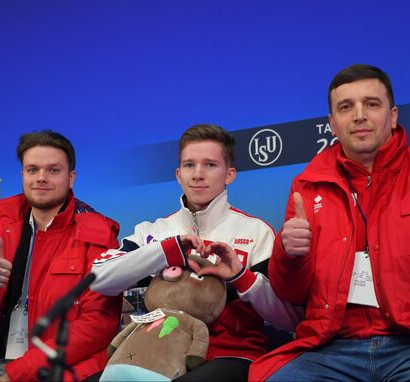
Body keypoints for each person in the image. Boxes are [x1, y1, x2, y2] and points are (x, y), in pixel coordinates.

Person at [249, 64, 410, 381]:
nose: (359, 115)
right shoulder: (306, 186)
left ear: (392, 116)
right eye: (346, 107)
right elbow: (290, 290)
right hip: (331, 347)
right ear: (333, 125)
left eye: (371, 104)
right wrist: (288, 253)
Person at [90, 124, 302, 381]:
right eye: (189, 165)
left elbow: (290, 319)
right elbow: (99, 279)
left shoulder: (257, 232)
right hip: (156, 355)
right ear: (178, 174)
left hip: (230, 356)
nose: (198, 174)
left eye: (210, 165)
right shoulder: (153, 231)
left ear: (230, 174)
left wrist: (240, 276)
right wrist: (168, 251)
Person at [0, 130, 122, 381]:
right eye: (32, 170)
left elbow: (98, 324)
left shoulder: (98, 235)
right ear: (22, 175)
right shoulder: (3, 230)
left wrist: (20, 373)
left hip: (58, 368)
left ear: (71, 178)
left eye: (53, 170)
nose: (41, 178)